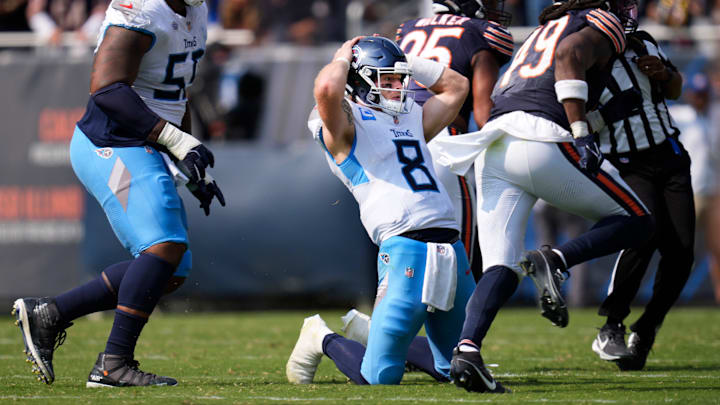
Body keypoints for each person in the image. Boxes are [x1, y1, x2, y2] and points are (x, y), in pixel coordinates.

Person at [430, 0, 653, 392]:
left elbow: (538, 91)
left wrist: (603, 114)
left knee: (501, 265)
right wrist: (583, 131)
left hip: (496, 145)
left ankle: (467, 350)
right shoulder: (599, 22)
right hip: (541, 141)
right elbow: (567, 58)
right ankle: (556, 258)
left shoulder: (543, 30)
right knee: (638, 220)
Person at [12, 0, 224, 387]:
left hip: (141, 143)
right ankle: (113, 364)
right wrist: (176, 141)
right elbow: (107, 89)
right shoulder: (141, 9)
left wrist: (188, 160)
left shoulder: (194, 11)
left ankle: (51, 313)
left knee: (171, 269)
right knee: (164, 247)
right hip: (111, 142)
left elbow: (175, 95)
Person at [285, 35, 474, 386]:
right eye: (385, 79)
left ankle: (371, 333)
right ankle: (321, 337)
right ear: (358, 79)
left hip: (453, 247)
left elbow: (457, 87)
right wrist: (344, 57)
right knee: (380, 378)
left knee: (457, 369)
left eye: (398, 78)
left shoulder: (411, 117)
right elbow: (327, 87)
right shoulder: (343, 124)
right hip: (404, 247)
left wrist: (406, 61)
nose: (397, 87)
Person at [588, 29, 694, 371]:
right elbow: (571, 121)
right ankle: (612, 324)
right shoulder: (584, 51)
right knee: (643, 233)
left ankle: (646, 330)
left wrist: (665, 74)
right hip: (626, 162)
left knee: (681, 253)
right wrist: (609, 112)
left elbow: (674, 89)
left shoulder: (643, 41)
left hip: (670, 155)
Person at [396, 0, 514, 282]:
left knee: (406, 245)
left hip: (396, 141)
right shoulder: (479, 32)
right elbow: (485, 116)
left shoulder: (406, 30)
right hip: (442, 141)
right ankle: (464, 326)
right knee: (461, 251)